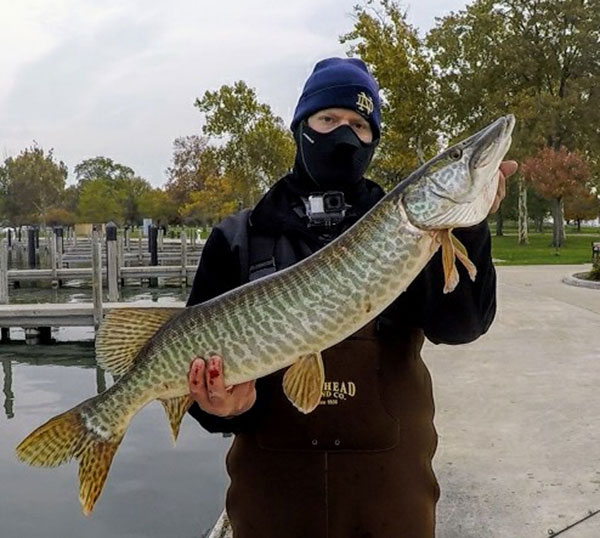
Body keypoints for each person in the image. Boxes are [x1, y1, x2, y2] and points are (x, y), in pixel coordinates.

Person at [186, 57, 518, 537]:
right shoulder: (239, 238)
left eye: (360, 125)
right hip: (273, 510)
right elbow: (197, 384)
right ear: (301, 127)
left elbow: (462, 325)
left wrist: (472, 224)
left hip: (391, 509)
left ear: (373, 140)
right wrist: (224, 407)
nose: (344, 134)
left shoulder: (410, 229)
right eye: (328, 120)